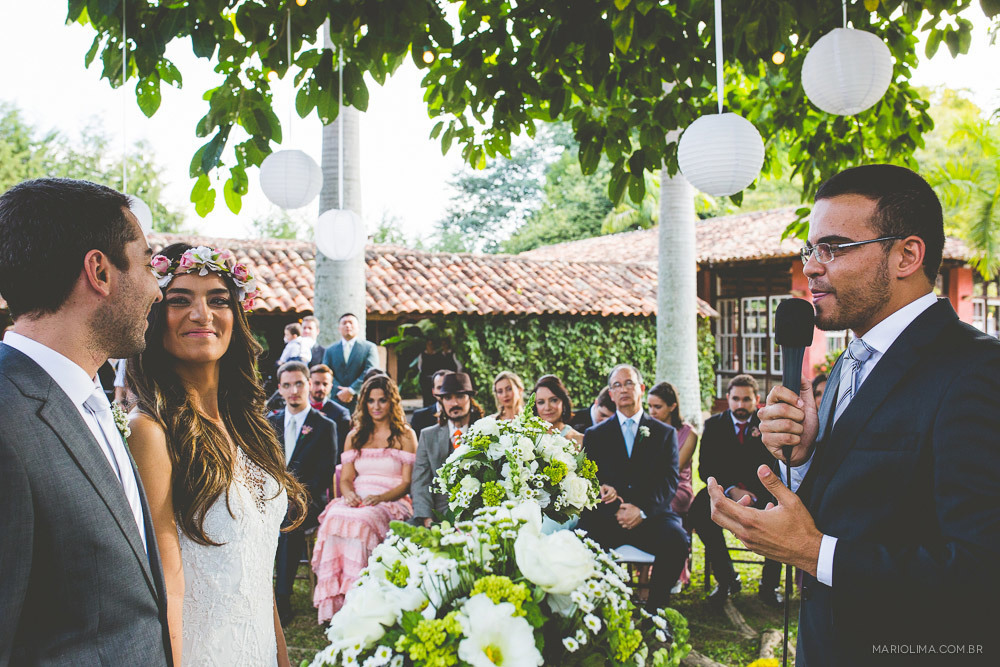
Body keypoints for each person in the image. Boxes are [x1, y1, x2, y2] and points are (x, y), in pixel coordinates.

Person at [713, 165, 1000, 665]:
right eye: (810, 250)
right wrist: (803, 460)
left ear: (907, 255)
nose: (812, 267)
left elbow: (981, 568)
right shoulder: (848, 362)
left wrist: (812, 552)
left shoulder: (977, 370)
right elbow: (858, 501)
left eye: (834, 248)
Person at [0, 178, 171, 665]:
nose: (156, 293)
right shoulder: (6, 419)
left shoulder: (92, 400)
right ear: (99, 271)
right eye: (144, 263)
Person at [127, 242, 308, 666]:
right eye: (179, 300)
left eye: (218, 300)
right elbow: (163, 585)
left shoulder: (251, 427)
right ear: (155, 315)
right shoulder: (150, 431)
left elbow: (258, 577)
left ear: (236, 314)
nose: (202, 314)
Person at [578, 364, 690, 609]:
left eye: (628, 383)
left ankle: (656, 611)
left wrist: (641, 510)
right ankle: (598, 609)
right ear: (610, 393)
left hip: (650, 517)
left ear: (641, 388)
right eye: (616, 385)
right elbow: (588, 480)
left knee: (678, 540)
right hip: (608, 518)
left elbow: (669, 481)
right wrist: (608, 502)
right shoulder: (595, 435)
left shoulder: (664, 433)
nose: (623, 389)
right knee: (579, 539)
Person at [311, 375, 417, 622]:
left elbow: (406, 483)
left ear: (392, 402)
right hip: (357, 497)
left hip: (391, 499)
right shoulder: (355, 435)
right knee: (334, 517)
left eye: (382, 400)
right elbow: (346, 479)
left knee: (363, 522)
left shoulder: (405, 435)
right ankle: (334, 606)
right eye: (371, 401)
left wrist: (380, 497)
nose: (377, 406)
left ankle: (359, 603)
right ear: (364, 404)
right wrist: (348, 496)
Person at [687, 375, 782, 606]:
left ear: (756, 399)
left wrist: (751, 492)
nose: (740, 405)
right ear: (728, 398)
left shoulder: (768, 425)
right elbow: (706, 468)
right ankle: (727, 578)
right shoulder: (713, 425)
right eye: (736, 399)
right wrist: (730, 490)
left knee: (780, 512)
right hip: (724, 491)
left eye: (746, 399)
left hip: (759, 491)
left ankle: (769, 585)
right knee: (699, 510)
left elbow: (774, 464)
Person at [268, 361, 339, 627]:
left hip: (307, 502)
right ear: (280, 389)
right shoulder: (269, 422)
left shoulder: (324, 426)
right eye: (287, 385)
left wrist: (294, 497)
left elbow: (324, 473)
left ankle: (282, 598)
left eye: (299, 383)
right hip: (271, 499)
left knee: (289, 520)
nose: (294, 390)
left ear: (309, 384)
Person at [410, 371, 484, 526]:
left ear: (470, 399)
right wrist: (428, 521)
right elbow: (421, 483)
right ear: (441, 402)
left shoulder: (485, 433)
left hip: (478, 513)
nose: (454, 403)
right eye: (448, 398)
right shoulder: (428, 436)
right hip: (437, 513)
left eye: (460, 396)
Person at [647, 381, 699, 592]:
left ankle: (673, 571)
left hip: (678, 488)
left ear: (672, 406)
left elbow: (674, 468)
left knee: (658, 504)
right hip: (653, 485)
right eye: (649, 407)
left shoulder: (689, 434)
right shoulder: (647, 429)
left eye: (657, 407)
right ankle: (644, 568)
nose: (652, 412)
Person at [321, 313, 379, 409]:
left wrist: (352, 390)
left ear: (358, 327)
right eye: (344, 323)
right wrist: (339, 391)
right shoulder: (330, 350)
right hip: (336, 400)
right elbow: (326, 372)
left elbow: (370, 371)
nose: (348, 325)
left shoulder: (369, 348)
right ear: (339, 328)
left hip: (361, 399)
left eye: (351, 323)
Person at [308, 363, 351, 453]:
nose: (321, 388)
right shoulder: (298, 409)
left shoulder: (341, 414)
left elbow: (341, 448)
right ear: (309, 383)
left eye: (325, 384)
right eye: (317, 383)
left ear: (331, 386)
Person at [532, 374, 584, 447]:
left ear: (563, 402)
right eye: (541, 402)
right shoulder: (527, 438)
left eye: (553, 400)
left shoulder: (579, 440)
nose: (547, 408)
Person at [417, 339, 463, 406]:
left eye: (431, 345)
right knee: (426, 396)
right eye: (429, 345)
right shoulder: (422, 355)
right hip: (426, 379)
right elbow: (420, 367)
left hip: (441, 378)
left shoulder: (440, 355)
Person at [409, 369, 449, 438]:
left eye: (447, 386)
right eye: (440, 388)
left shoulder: (469, 416)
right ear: (433, 391)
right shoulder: (420, 417)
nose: (444, 391)